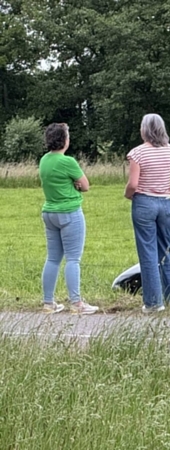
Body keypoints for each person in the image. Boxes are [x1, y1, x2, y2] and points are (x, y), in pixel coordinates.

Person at [124, 114, 170, 313]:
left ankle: (153, 302)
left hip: (144, 202)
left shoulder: (137, 153)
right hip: (165, 204)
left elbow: (133, 184)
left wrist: (128, 195)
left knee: (148, 252)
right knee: (168, 249)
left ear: (144, 130)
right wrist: (169, 189)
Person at [39, 123, 99, 315]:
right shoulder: (68, 162)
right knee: (73, 258)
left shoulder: (44, 160)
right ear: (64, 140)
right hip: (69, 212)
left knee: (53, 258)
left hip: (49, 212)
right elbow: (85, 185)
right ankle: (76, 303)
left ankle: (48, 302)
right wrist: (75, 186)